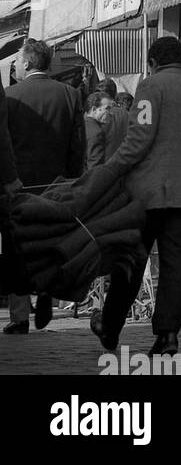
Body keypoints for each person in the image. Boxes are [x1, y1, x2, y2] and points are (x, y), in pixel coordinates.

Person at [95, 36, 181, 356]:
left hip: (150, 194)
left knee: (129, 263)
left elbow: (138, 139)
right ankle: (168, 335)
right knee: (174, 267)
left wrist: (111, 170)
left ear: (153, 62)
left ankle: (110, 328)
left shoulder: (150, 87)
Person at [4, 39, 85, 333]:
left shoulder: (10, 96)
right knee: (52, 244)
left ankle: (20, 316)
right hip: (57, 185)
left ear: (27, 63)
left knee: (17, 249)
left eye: (17, 60)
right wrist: (75, 179)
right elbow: (77, 145)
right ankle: (48, 293)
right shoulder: (70, 95)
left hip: (18, 187)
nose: (14, 65)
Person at [85, 84, 129, 170]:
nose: (110, 112)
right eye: (107, 108)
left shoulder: (85, 125)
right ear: (94, 110)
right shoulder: (96, 132)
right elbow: (94, 168)